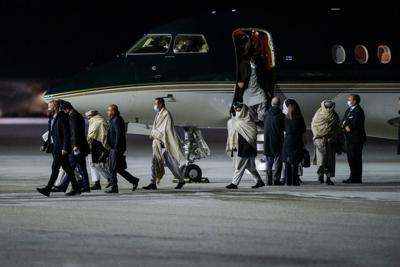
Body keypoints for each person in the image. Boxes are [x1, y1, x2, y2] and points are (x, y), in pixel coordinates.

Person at [36, 100, 81, 197]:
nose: (48, 107)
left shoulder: (62, 118)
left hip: (60, 148)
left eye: (50, 106)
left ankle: (47, 189)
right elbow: (51, 134)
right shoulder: (52, 118)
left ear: (55, 107)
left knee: (55, 168)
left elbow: (66, 134)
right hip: (54, 147)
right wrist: (45, 144)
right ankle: (76, 187)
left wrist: (65, 148)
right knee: (68, 169)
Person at [143, 98, 186, 190]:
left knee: (171, 162)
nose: (155, 105)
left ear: (161, 104)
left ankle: (181, 180)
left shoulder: (166, 114)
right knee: (155, 161)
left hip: (166, 141)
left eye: (156, 103)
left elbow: (166, 129)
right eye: (154, 103)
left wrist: (154, 133)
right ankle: (153, 182)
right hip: (158, 142)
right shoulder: (158, 114)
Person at [225, 102, 265, 189]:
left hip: (246, 147)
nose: (237, 111)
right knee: (250, 167)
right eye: (236, 109)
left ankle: (234, 183)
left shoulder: (249, 122)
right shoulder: (234, 121)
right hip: (240, 147)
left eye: (239, 109)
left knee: (239, 166)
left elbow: (252, 135)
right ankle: (259, 181)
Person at [56, 101, 91, 192]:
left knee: (70, 167)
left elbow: (74, 133)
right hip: (81, 146)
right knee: (82, 167)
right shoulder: (77, 115)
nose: (64, 112)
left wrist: (75, 145)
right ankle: (86, 187)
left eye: (64, 110)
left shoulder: (73, 117)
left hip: (77, 147)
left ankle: (63, 186)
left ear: (67, 108)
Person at [106, 104, 140, 193]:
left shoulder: (117, 120)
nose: (107, 112)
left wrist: (116, 147)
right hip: (114, 147)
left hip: (116, 148)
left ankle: (114, 187)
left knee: (112, 168)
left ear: (113, 111)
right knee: (117, 168)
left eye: (109, 110)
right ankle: (134, 180)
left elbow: (119, 134)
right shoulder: (114, 119)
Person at [237, 50, 272, 124]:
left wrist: (268, 91)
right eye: (253, 58)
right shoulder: (244, 65)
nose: (254, 59)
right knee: (248, 109)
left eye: (256, 58)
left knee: (263, 99)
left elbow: (265, 80)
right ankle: (251, 121)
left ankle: (260, 120)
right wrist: (238, 82)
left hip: (258, 90)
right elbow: (238, 75)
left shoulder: (261, 66)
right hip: (248, 90)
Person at [311, 100, 340, 185]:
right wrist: (318, 135)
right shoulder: (318, 114)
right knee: (321, 160)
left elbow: (336, 128)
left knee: (330, 161)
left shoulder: (334, 115)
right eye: (327, 107)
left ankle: (328, 178)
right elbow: (314, 125)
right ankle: (320, 177)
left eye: (329, 107)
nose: (328, 109)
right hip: (320, 141)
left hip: (330, 142)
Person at [341, 94, 366, 184]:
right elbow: (343, 121)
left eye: (349, 99)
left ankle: (357, 178)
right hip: (349, 139)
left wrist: (344, 129)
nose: (348, 100)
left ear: (355, 101)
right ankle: (352, 177)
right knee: (350, 159)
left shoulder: (358, 111)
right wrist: (341, 127)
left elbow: (354, 125)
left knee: (356, 159)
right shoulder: (349, 110)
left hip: (356, 139)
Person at [85, 110, 112, 190]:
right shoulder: (94, 121)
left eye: (88, 116)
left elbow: (103, 135)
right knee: (92, 164)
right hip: (92, 145)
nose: (87, 118)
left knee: (99, 165)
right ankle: (97, 182)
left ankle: (110, 179)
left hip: (98, 146)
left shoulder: (100, 121)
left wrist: (105, 147)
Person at [282, 99, 306, 186]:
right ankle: (294, 181)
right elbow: (303, 129)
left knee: (287, 161)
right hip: (296, 140)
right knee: (295, 162)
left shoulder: (285, 118)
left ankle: (288, 181)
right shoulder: (299, 117)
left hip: (287, 140)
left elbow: (283, 129)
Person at [264, 97, 285, 186]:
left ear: (271, 104)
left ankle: (268, 180)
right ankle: (276, 180)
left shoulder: (266, 114)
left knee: (269, 162)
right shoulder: (281, 115)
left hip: (268, 141)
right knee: (278, 162)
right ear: (279, 104)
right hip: (278, 141)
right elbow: (284, 128)